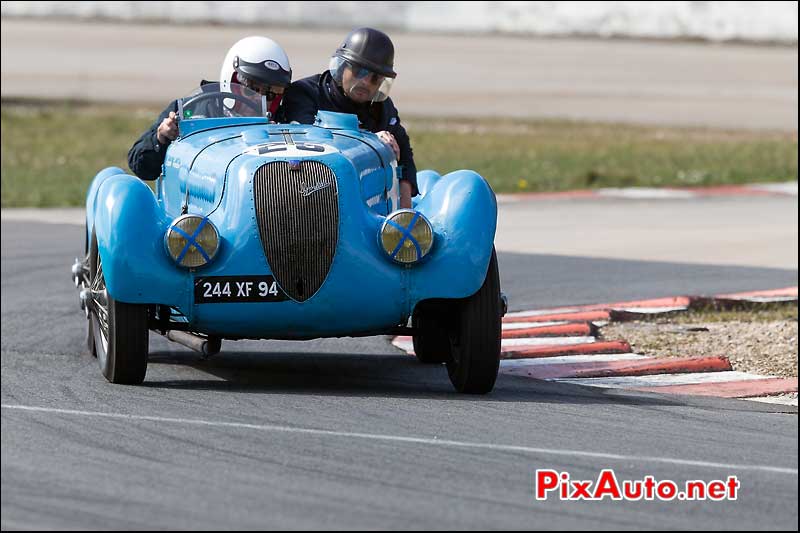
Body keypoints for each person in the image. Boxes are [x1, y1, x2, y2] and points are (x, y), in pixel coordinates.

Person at [278, 27, 417, 208]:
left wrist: (406, 212)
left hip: (365, 205)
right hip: (306, 195)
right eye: (359, 71)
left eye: (375, 77)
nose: (366, 82)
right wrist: (371, 139)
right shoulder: (305, 93)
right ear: (342, 66)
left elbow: (404, 152)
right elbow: (310, 136)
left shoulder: (383, 107)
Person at [127, 36, 292, 180]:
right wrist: (161, 138)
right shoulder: (191, 109)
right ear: (232, 81)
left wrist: (279, 138)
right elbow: (141, 167)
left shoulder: (285, 120)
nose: (260, 98)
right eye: (253, 88)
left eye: (272, 93)